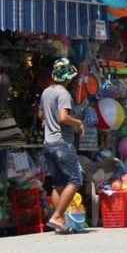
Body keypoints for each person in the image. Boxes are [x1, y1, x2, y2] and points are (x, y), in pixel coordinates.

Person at [38, 58, 85, 234]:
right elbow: (63, 117)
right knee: (75, 179)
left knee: (58, 183)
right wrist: (78, 123)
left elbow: (41, 115)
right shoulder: (63, 93)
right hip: (62, 143)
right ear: (68, 77)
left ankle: (60, 223)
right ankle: (57, 216)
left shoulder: (46, 92)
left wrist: (48, 121)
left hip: (48, 144)